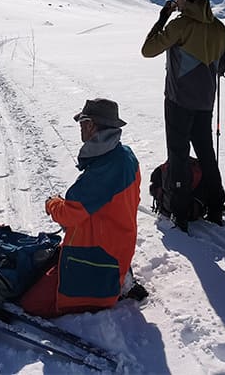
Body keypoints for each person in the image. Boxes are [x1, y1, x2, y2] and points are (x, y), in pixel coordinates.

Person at [19, 98, 140, 317]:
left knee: (30, 304)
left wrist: (52, 203)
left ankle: (100, 293)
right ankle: (120, 279)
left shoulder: (103, 170)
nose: (80, 129)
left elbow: (67, 216)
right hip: (118, 247)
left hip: (96, 258)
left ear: (91, 125)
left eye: (82, 123)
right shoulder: (125, 155)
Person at [141, 0, 225, 231]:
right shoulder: (219, 27)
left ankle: (179, 212)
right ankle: (216, 205)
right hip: (205, 101)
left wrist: (162, 18)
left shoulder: (180, 25)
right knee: (205, 153)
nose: (175, 0)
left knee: (179, 155)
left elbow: (148, 50)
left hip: (178, 100)